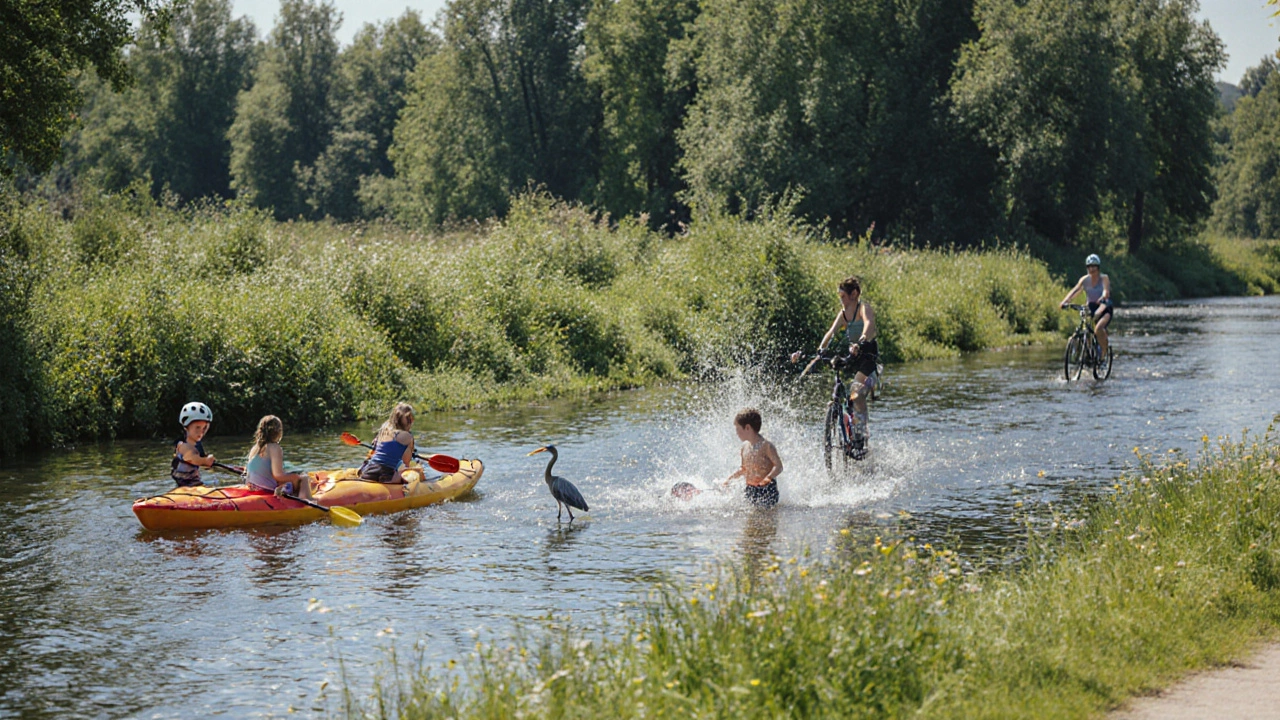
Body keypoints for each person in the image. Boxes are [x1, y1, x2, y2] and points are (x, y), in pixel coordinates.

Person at [790, 275, 879, 446]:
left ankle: (861, 436)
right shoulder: (844, 314)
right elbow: (830, 333)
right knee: (843, 390)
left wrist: (861, 341)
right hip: (853, 356)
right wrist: (819, 352)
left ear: (853, 294)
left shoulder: (863, 308)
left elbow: (869, 324)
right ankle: (843, 420)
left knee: (856, 392)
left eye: (843, 297)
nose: (842, 301)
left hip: (868, 356)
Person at [719, 408, 784, 507]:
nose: (736, 432)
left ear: (747, 428)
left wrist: (768, 478)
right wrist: (729, 480)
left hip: (767, 489)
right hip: (750, 489)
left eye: (737, 428)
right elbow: (743, 468)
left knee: (767, 519)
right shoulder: (744, 447)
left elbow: (778, 466)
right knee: (751, 520)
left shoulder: (766, 446)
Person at [243, 415, 311, 499]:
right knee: (303, 478)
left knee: (289, 478)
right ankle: (306, 503)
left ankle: (284, 490)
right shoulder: (274, 447)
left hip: (252, 487)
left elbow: (247, 472)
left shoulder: (255, 448)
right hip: (266, 490)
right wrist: (297, 476)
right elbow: (278, 475)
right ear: (278, 432)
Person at [1060, 253, 1113, 357]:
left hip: (1104, 308)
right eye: (1089, 267)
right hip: (1091, 307)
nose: (1092, 269)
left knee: (1098, 329)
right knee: (1085, 330)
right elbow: (1075, 290)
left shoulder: (1104, 278)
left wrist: (1103, 296)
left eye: (1094, 266)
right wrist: (1065, 301)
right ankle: (1087, 353)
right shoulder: (1084, 280)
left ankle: (1103, 353)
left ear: (1098, 268)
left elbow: (1106, 290)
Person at [359, 403, 417, 483]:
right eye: (410, 418)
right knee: (403, 473)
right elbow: (406, 461)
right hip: (387, 475)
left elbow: (375, 449)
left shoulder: (383, 431)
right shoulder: (408, 437)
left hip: (369, 471)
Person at [171, 402, 217, 487]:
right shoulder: (182, 445)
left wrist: (210, 464)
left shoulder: (198, 445)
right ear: (186, 427)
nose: (201, 432)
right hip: (185, 484)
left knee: (215, 484)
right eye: (197, 427)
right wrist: (205, 461)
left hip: (194, 483)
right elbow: (191, 458)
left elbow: (202, 460)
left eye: (204, 428)